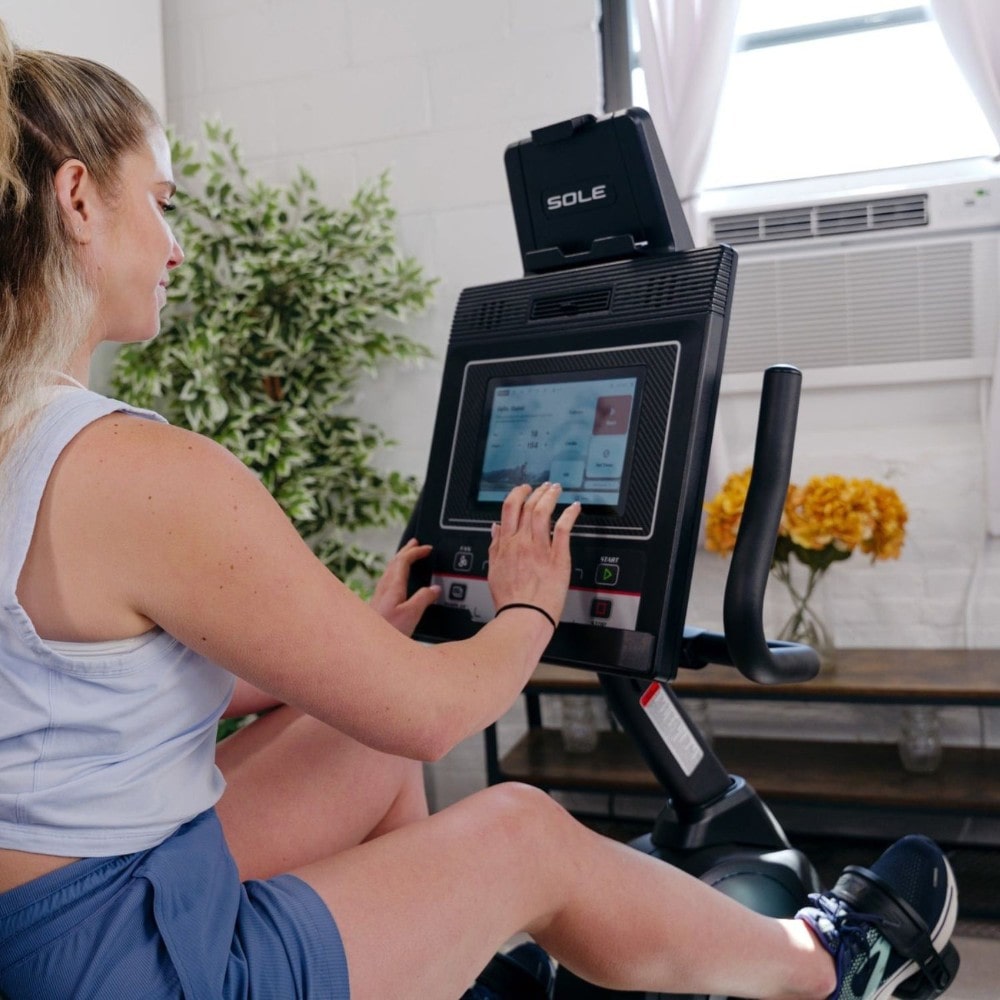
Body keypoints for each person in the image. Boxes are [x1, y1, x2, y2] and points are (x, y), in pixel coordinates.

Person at [0, 23, 959, 1000]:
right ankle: (832, 968)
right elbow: (431, 717)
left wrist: (353, 639)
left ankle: (447, 968)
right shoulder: (137, 468)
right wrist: (529, 607)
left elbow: (83, 688)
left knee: (361, 740)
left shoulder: (17, 432)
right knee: (522, 833)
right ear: (78, 198)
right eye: (161, 205)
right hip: (131, 964)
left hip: (40, 918)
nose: (174, 247)